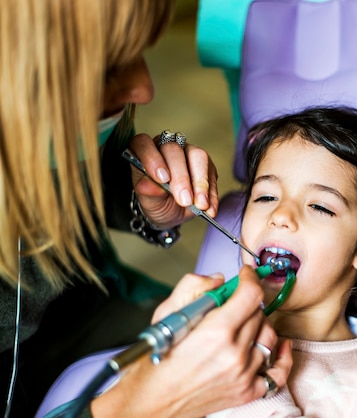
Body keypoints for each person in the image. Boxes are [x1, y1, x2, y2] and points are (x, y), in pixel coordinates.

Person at [0, 1, 290, 417]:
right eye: (107, 69)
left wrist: (142, 200)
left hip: (85, 308)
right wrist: (143, 404)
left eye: (139, 51)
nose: (144, 89)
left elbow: (85, 172)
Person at [206, 106, 357, 417]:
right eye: (266, 197)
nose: (280, 216)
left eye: (319, 206)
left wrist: (257, 387)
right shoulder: (212, 334)